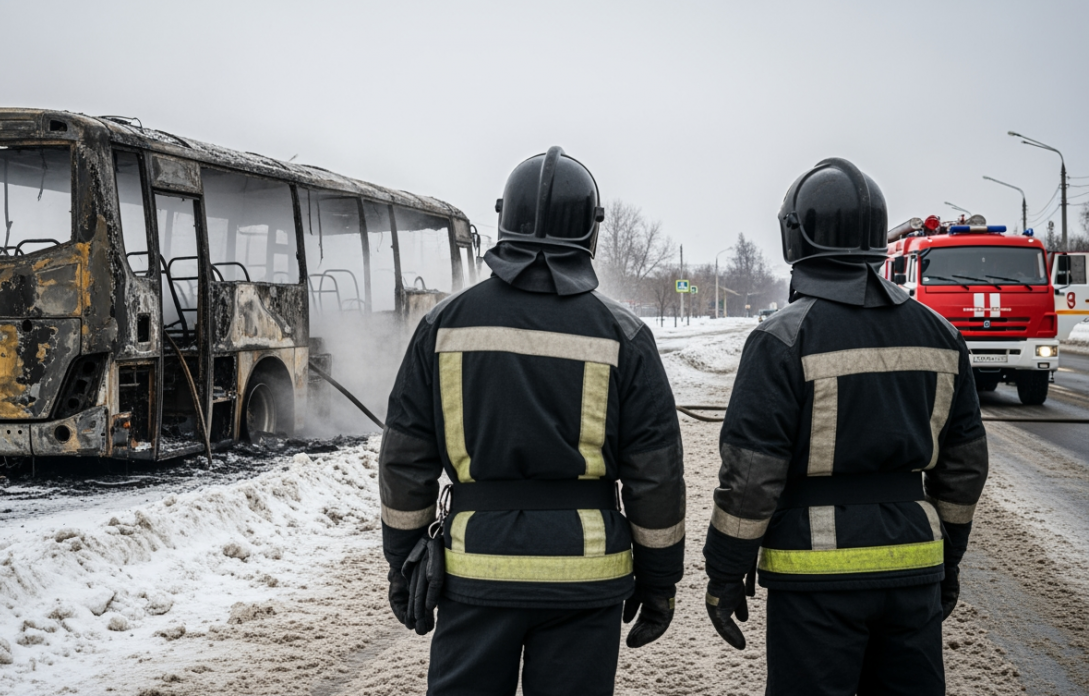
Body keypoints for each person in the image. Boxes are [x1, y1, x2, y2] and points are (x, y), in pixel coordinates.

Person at [377, 146, 686, 696]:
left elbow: (405, 458)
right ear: (591, 232)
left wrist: (403, 561)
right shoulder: (625, 335)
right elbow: (655, 475)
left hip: (476, 576)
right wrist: (660, 580)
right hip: (585, 580)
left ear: (504, 221)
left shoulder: (444, 326)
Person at [701, 158, 989, 695]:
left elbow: (750, 478)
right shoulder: (941, 335)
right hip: (914, 570)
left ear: (795, 234)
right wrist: (948, 555)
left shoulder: (782, 338)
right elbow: (966, 465)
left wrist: (725, 569)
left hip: (815, 580)